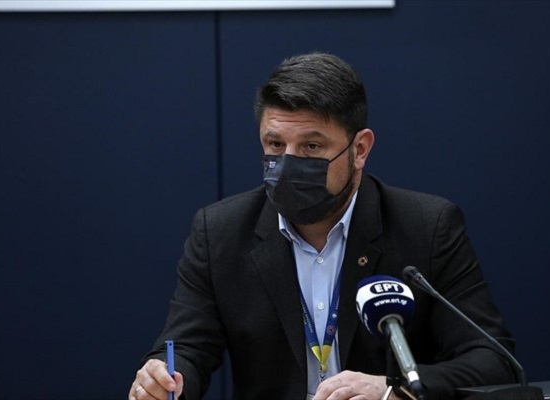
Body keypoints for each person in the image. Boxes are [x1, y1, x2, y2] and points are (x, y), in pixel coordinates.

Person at [128, 52, 517, 400]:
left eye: (311, 147)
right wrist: (163, 379)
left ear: (359, 149)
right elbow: (187, 348)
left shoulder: (426, 227)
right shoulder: (220, 232)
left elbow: (492, 360)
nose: (288, 164)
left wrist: (393, 390)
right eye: (275, 145)